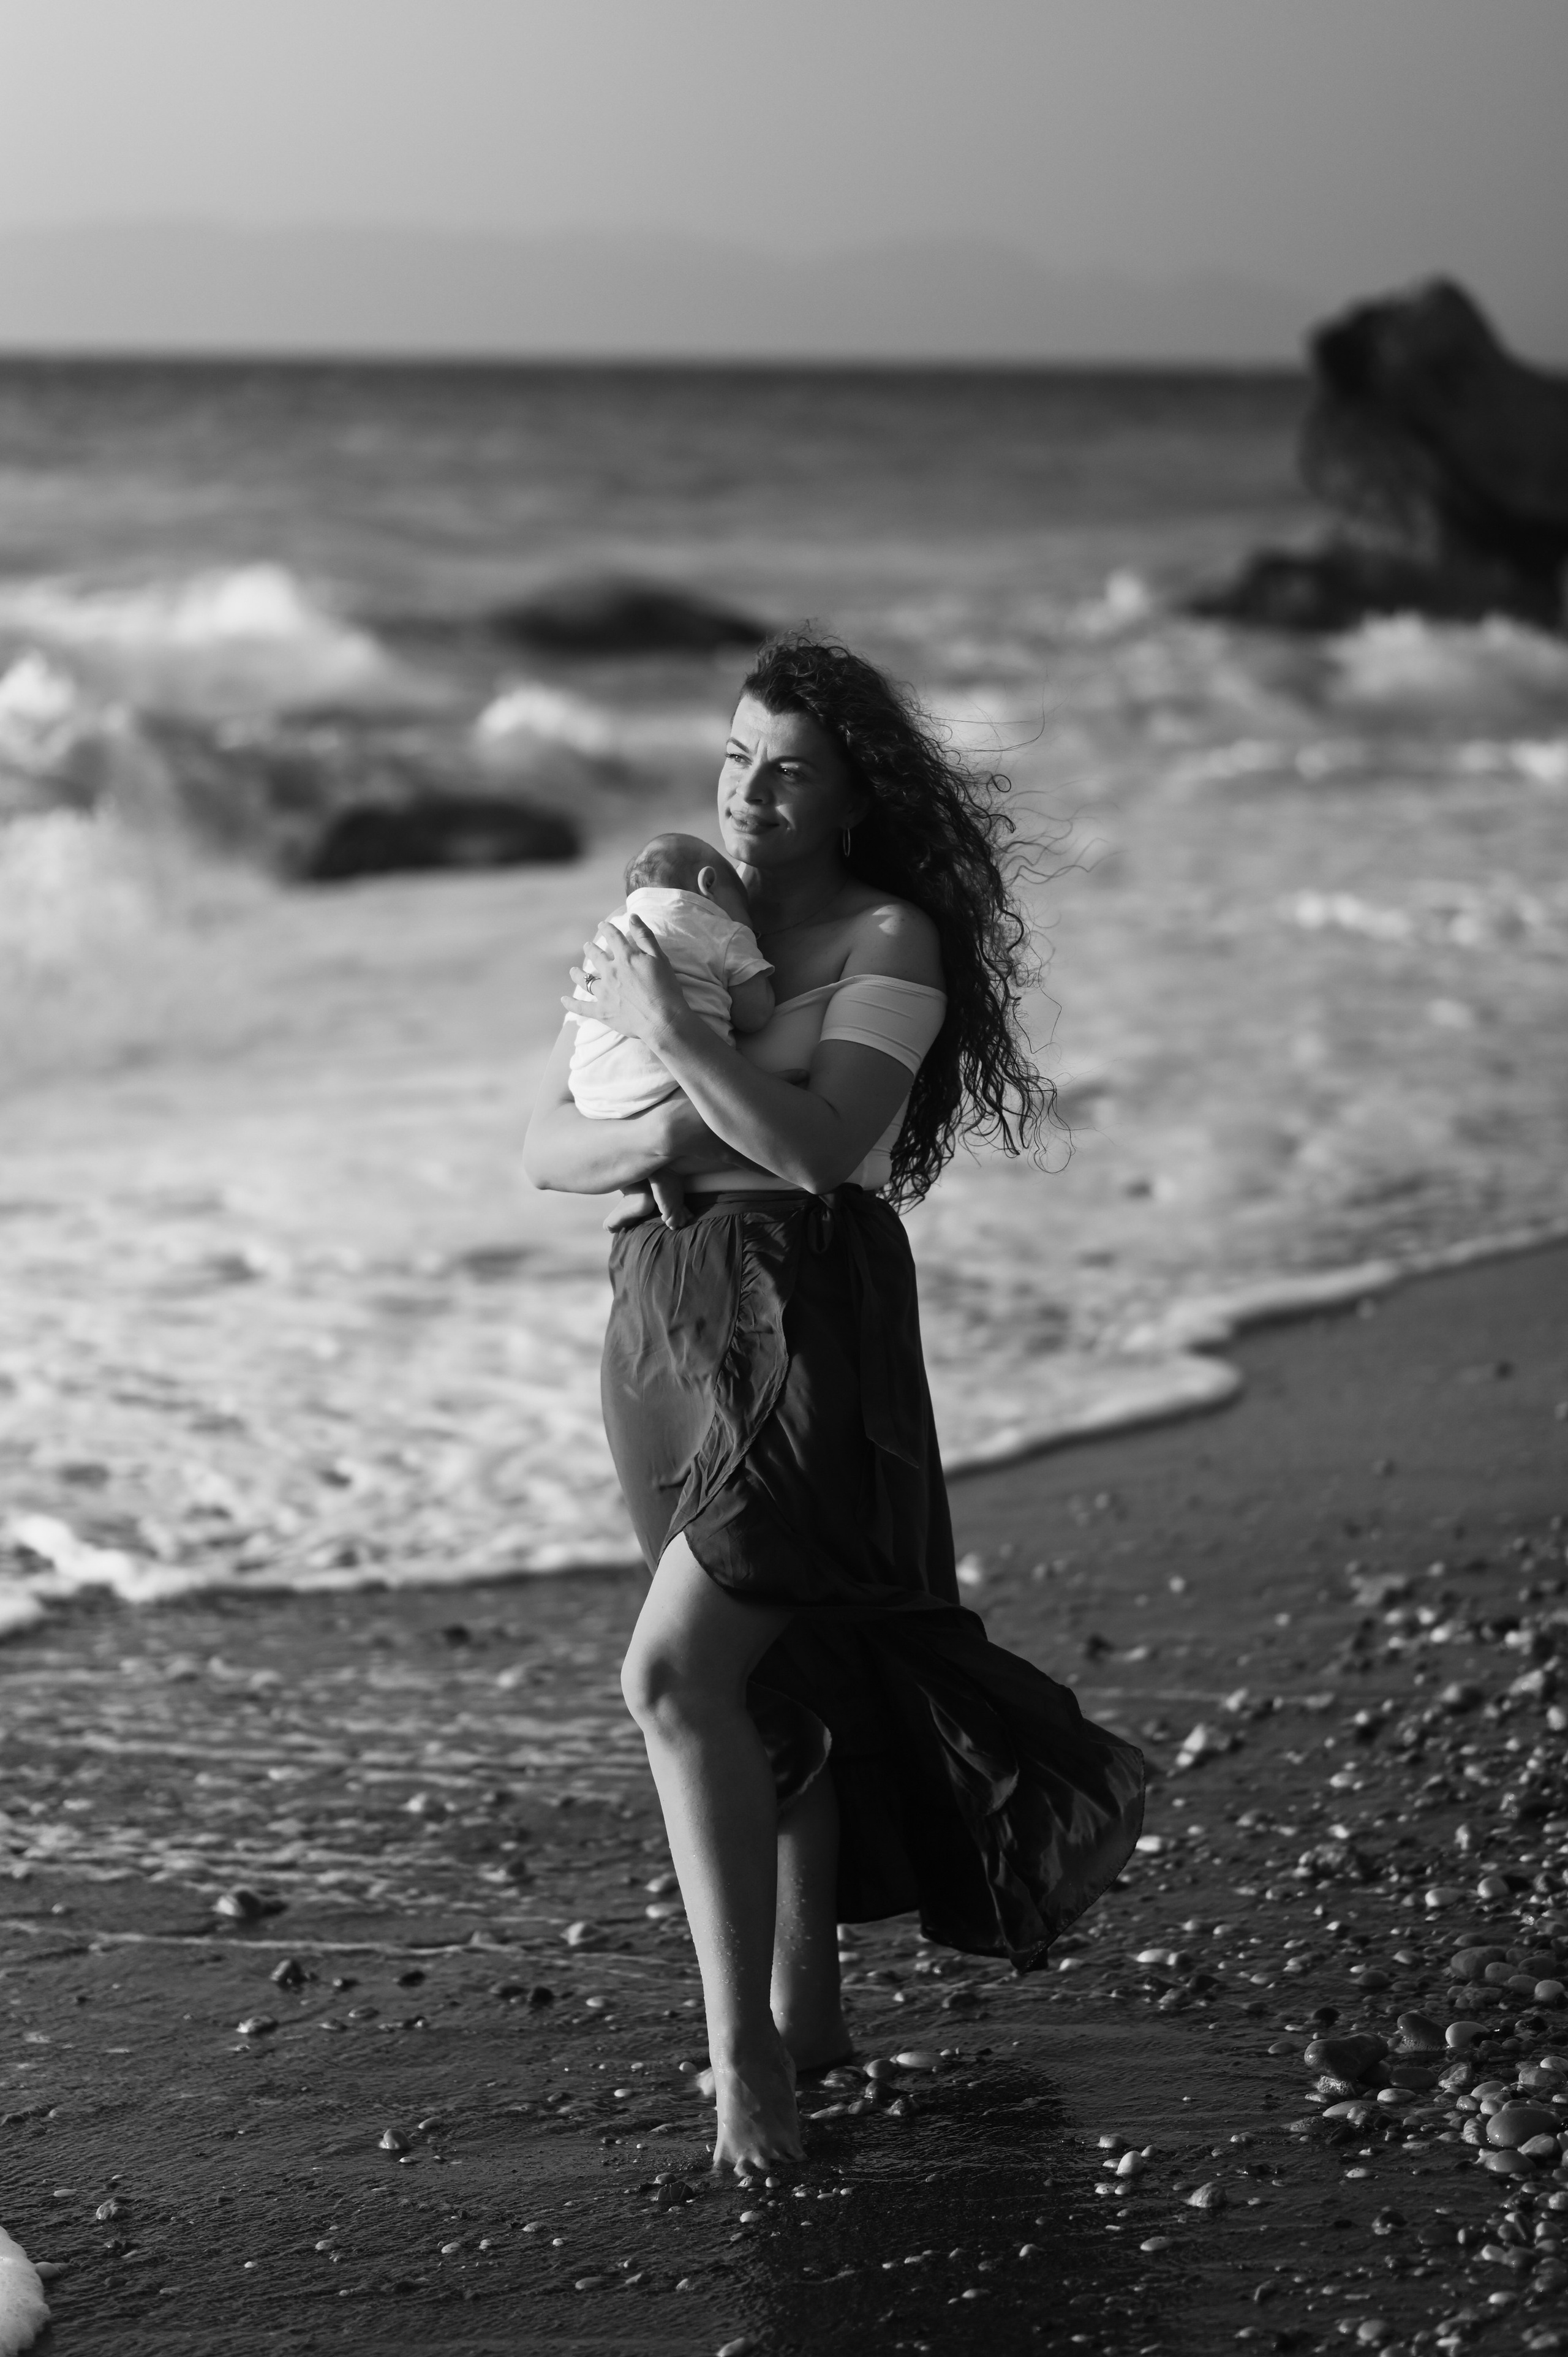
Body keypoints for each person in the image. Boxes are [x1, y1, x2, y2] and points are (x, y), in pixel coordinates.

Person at [524, 635, 1144, 2178]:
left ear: (858, 789)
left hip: (803, 1306)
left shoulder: (894, 938)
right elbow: (546, 1146)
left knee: (673, 1677)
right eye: (735, 758)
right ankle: (806, 2013)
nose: (750, 792)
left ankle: (744, 2065)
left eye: (789, 767)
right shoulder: (673, 915)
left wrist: (673, 1054)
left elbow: (818, 1148)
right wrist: (683, 1115)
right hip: (660, 1309)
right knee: (778, 1683)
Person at [567, 830, 775, 1230]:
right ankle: (763, 1162)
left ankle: (643, 1184)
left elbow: (587, 1010)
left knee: (631, 1081)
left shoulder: (609, 931)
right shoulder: (720, 928)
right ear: (708, 883)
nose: (749, 922)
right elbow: (756, 1015)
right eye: (744, 908)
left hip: (594, 1097)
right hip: (667, 1084)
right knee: (732, 1115)